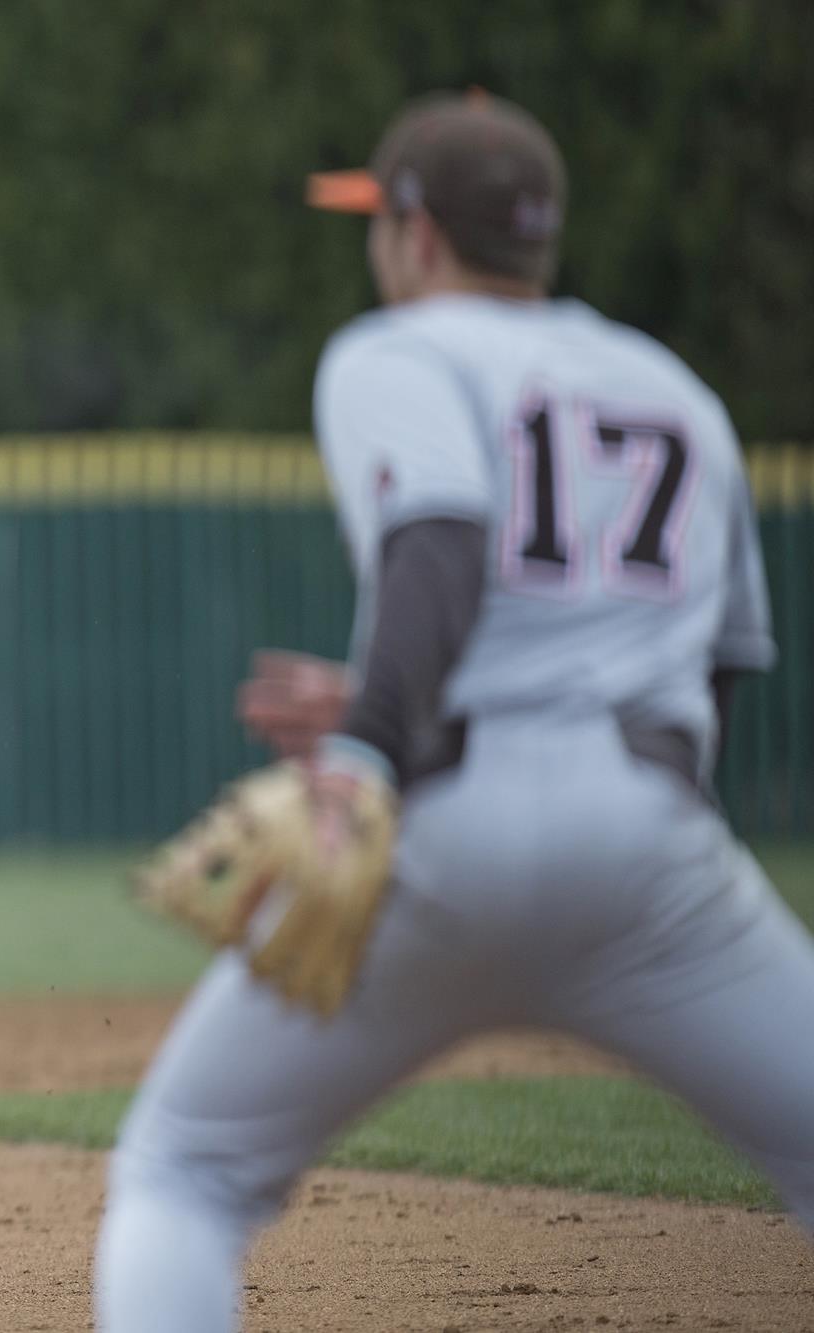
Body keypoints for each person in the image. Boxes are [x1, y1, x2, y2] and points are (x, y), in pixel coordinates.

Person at [95, 92, 814, 1330]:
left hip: (447, 830)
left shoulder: (397, 351)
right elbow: (718, 667)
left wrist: (373, 749)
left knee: (187, 1171)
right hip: (652, 839)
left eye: (377, 220)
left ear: (414, 233)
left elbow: (439, 545)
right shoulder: (675, 390)